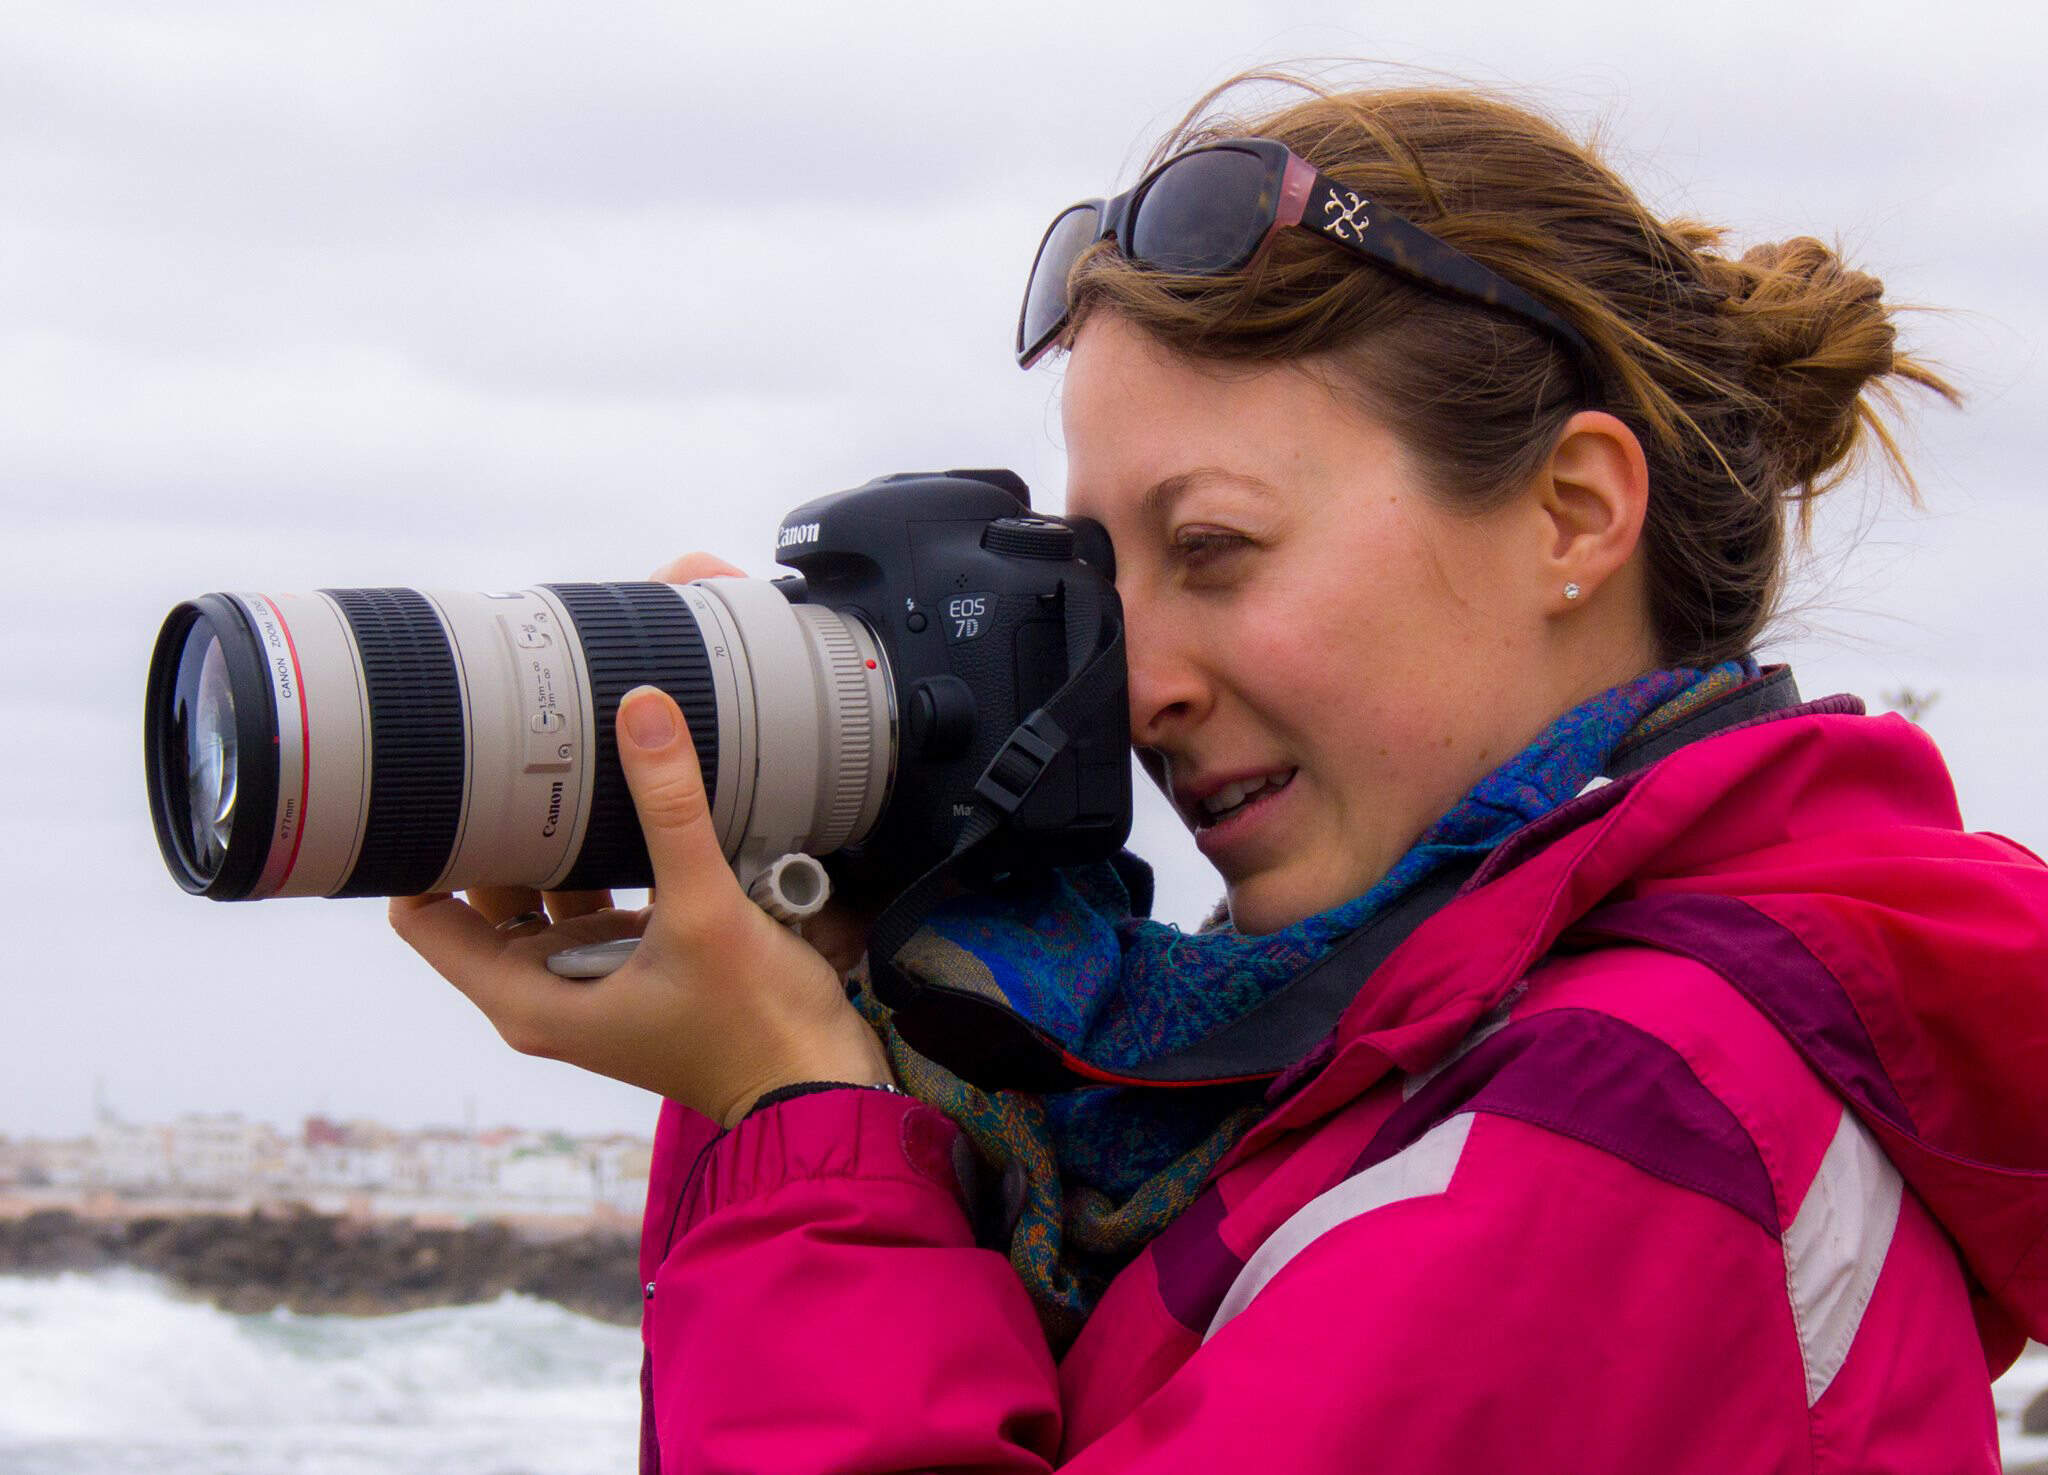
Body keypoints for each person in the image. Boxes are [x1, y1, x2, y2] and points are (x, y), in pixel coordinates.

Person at [392, 76, 2048, 1471]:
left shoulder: (1642, 1097)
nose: (1142, 687)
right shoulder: (1369, 1067)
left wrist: (800, 1128)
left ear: (1573, 517)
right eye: (1102, 590)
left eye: (1215, 549)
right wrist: (841, 977)